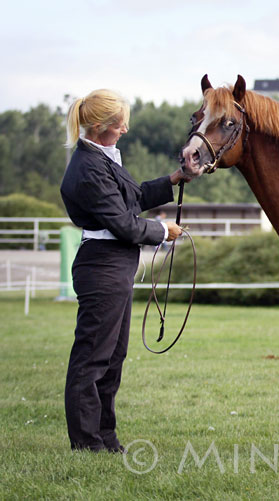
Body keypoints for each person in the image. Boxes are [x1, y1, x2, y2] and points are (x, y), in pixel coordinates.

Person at [60, 89, 190, 453]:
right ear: (101, 126)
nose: (126, 129)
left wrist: (174, 179)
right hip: (102, 266)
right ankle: (86, 442)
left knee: (113, 356)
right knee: (93, 357)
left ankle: (104, 435)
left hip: (114, 267)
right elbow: (126, 225)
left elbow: (131, 200)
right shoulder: (88, 169)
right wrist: (165, 231)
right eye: (120, 124)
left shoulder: (103, 159)